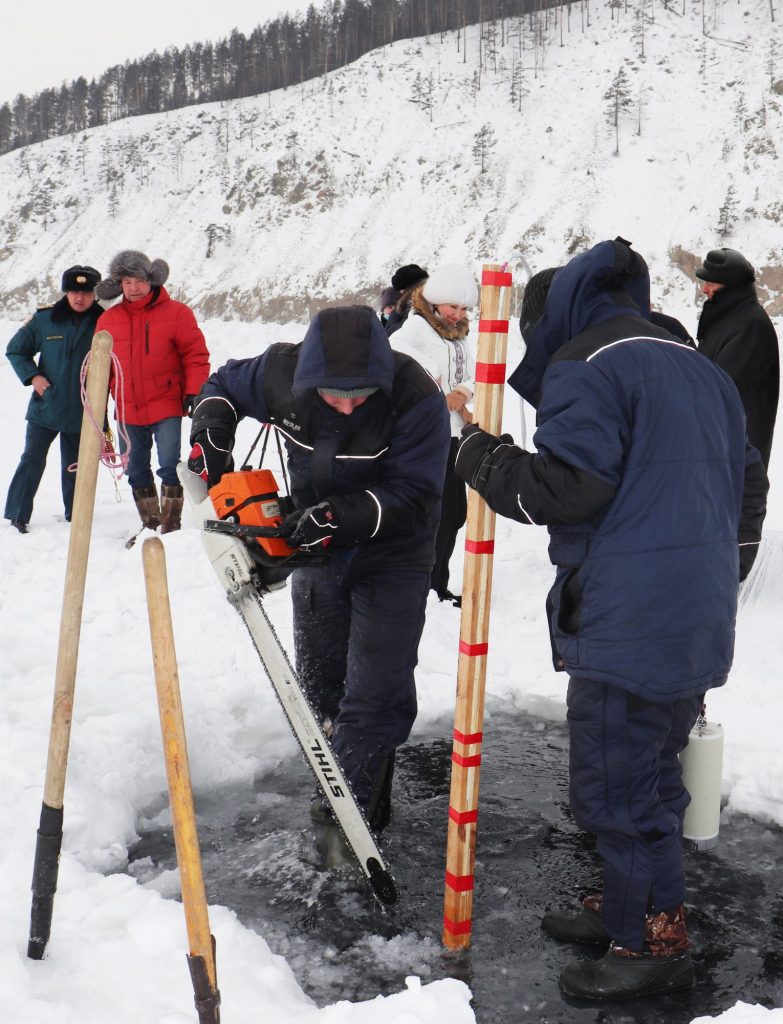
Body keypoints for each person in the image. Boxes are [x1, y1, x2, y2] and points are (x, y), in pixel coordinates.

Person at [453, 238, 768, 1001]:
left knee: (614, 789)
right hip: (690, 611)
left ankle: (647, 944)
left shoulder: (585, 366)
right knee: (651, 775)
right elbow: (747, 487)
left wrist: (482, 459)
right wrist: (708, 578)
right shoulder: (697, 369)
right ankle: (630, 904)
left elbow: (569, 488)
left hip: (628, 620)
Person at [187, 304, 450, 835]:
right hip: (316, 548)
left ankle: (350, 818)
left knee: (376, 694)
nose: (349, 408)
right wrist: (212, 424)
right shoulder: (282, 371)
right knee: (321, 684)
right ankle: (336, 780)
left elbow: (418, 492)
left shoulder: (414, 394)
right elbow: (222, 385)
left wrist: (338, 515)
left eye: (361, 395)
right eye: (335, 395)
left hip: (393, 551)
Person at [95, 250, 210, 533]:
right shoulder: (108, 319)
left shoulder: (177, 314)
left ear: (151, 280)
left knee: (169, 464)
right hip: (127, 408)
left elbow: (195, 355)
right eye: (127, 282)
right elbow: (99, 364)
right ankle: (150, 524)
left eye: (139, 281)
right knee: (135, 470)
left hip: (166, 404)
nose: (133, 288)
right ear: (119, 285)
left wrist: (193, 391)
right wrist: (98, 399)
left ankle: (170, 526)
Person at [391, 263, 477, 606]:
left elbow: (472, 372)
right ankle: (423, 584)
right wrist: (437, 383)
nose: (458, 314)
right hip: (427, 436)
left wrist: (464, 394)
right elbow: (397, 357)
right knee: (432, 514)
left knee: (454, 514)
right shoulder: (415, 329)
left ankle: (437, 582)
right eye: (452, 307)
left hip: (455, 433)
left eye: (463, 308)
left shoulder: (458, 335)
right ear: (436, 302)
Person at [5, 265, 104, 533]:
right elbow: (16, 350)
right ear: (66, 292)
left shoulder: (105, 322)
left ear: (95, 294)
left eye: (85, 292)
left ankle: (77, 515)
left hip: (82, 410)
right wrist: (33, 378)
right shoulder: (45, 319)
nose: (79, 298)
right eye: (73, 291)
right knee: (32, 459)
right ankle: (17, 514)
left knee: (75, 466)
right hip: (45, 407)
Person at [695, 247, 779, 468]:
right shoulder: (728, 319)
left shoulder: (750, 326)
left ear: (730, 288)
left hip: (734, 458)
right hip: (719, 451)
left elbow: (719, 391)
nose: (704, 289)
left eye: (711, 284)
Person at [384, 263, 429, 337]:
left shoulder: (414, 304)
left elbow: (393, 335)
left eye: (401, 290)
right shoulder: (434, 300)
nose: (400, 293)